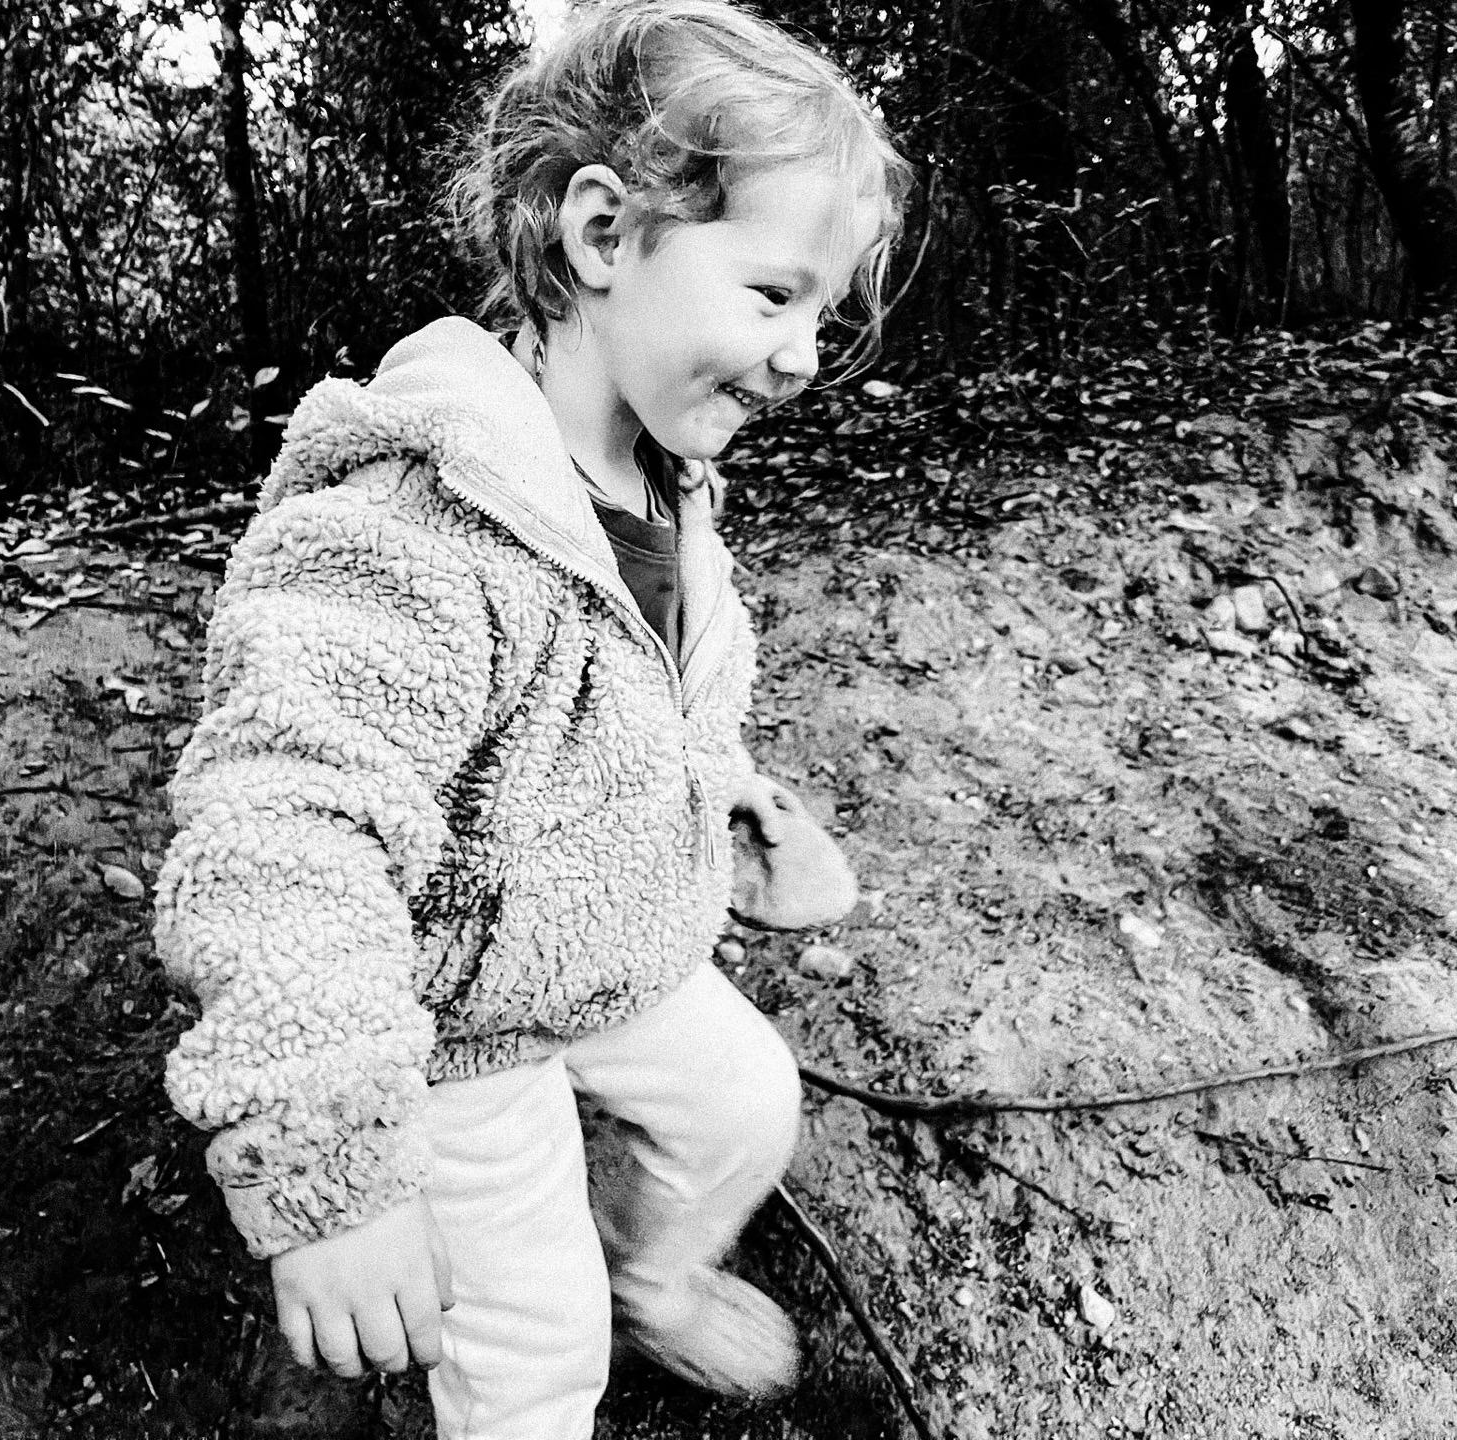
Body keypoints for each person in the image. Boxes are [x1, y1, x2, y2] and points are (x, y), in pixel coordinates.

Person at [151, 3, 911, 1435]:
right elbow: (280, 819)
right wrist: (328, 1164)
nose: (807, 352)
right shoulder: (414, 524)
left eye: (825, 312)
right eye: (771, 295)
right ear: (605, 236)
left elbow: (668, 694)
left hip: (606, 935)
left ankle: (661, 1277)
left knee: (749, 1102)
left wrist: (727, 796)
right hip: (456, 1024)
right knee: (535, 1352)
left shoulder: (671, 482)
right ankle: (555, 1351)